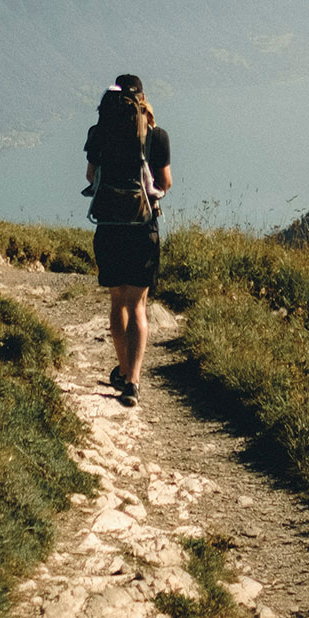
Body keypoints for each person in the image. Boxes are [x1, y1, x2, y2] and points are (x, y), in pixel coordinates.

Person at [84, 74, 172, 407]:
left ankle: (121, 369)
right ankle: (133, 382)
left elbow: (91, 176)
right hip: (142, 228)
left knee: (117, 301)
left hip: (108, 227)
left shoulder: (98, 133)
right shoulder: (157, 136)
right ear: (142, 99)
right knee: (138, 306)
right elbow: (165, 182)